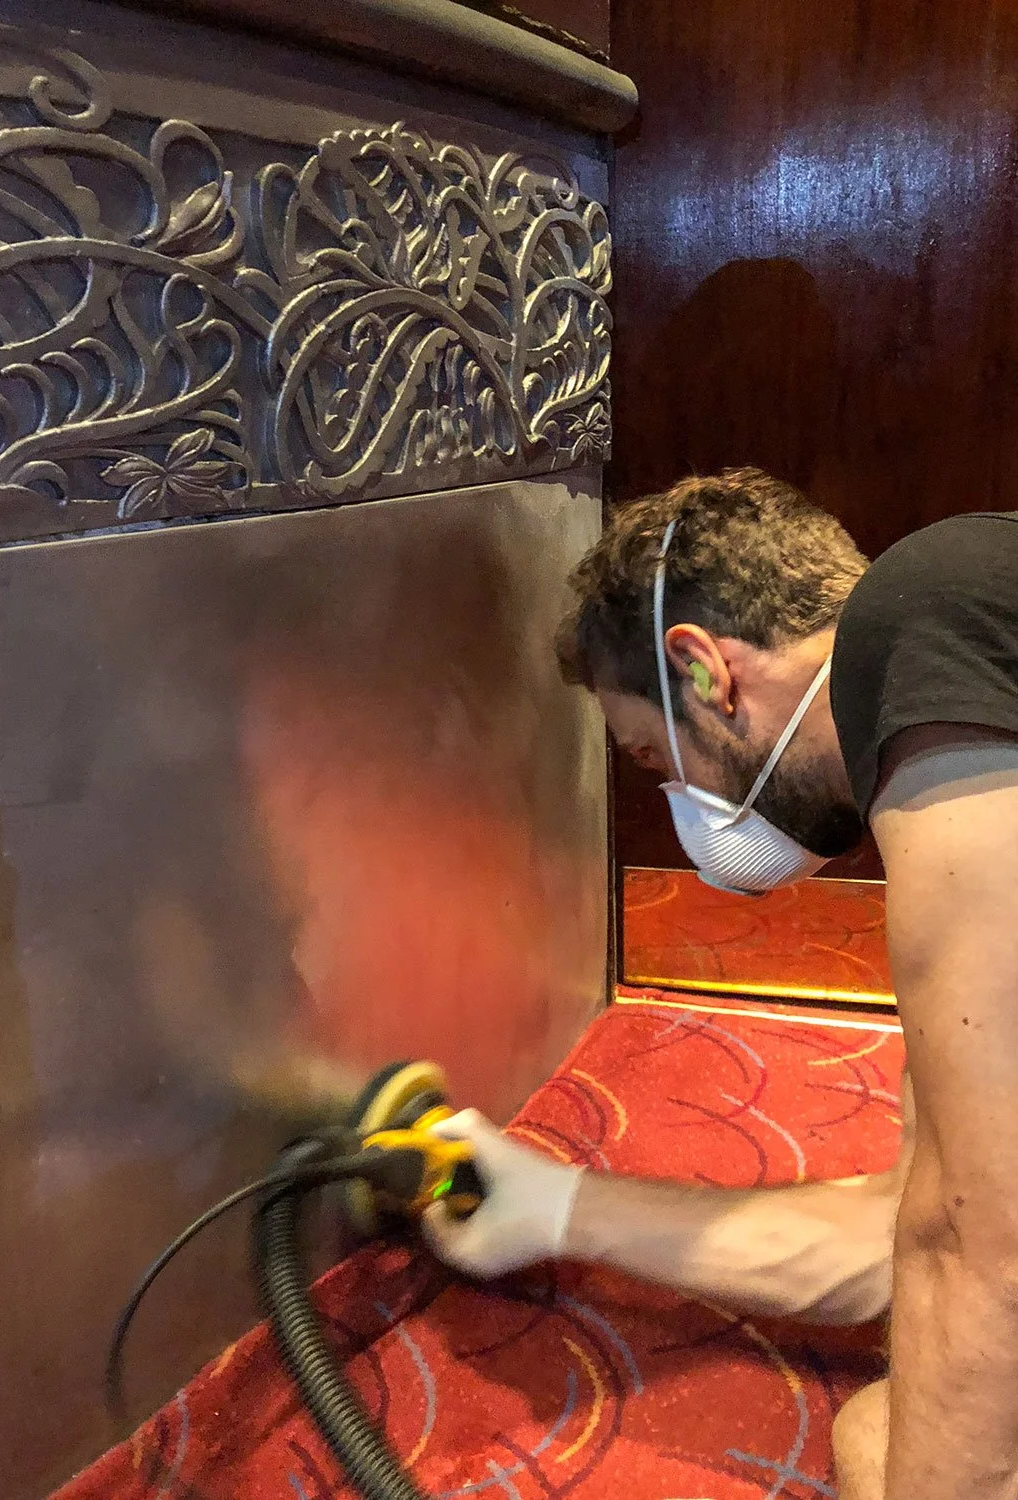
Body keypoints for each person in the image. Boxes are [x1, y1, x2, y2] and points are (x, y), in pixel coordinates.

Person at [422, 468, 1018, 1500]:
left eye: (656, 759)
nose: (677, 805)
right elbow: (906, 1230)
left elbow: (982, 1243)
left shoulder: (926, 619)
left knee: (896, 1446)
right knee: (884, 1425)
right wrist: (554, 1206)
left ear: (702, 672)